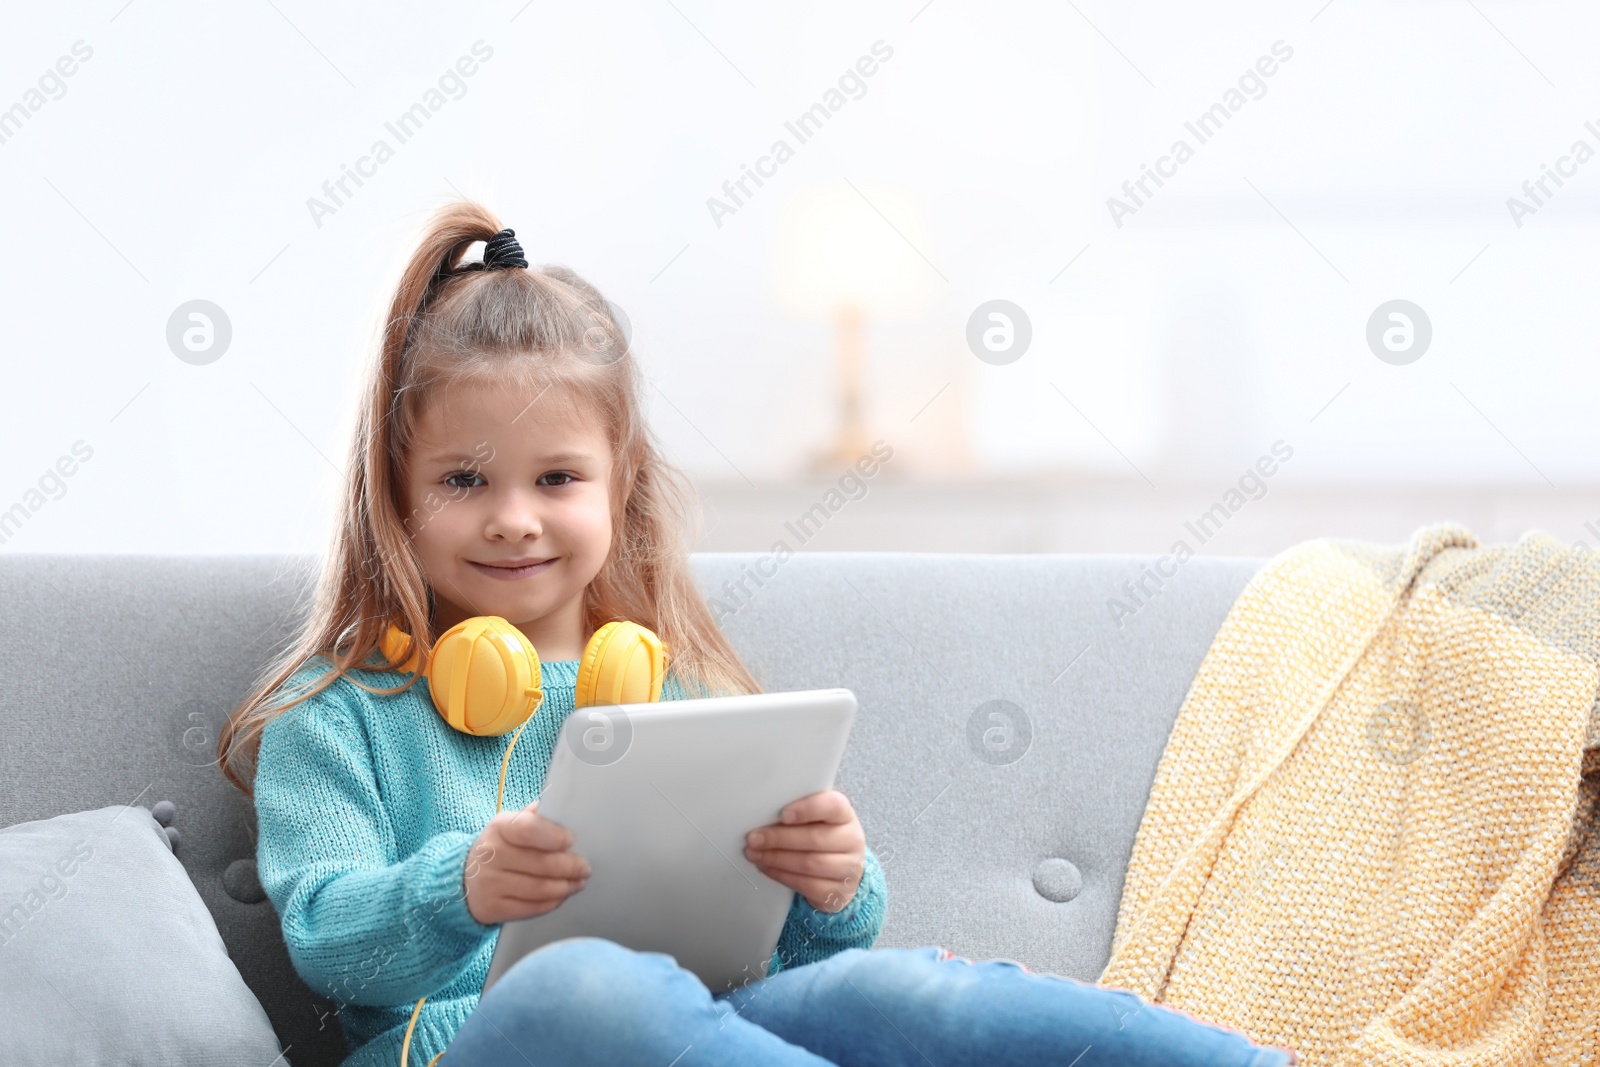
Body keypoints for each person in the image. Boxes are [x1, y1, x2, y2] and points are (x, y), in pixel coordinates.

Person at [218, 201, 1298, 1067]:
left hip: (704, 1022)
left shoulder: (669, 692)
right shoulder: (338, 711)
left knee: (890, 984)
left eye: (556, 478)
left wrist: (832, 885)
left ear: (619, 487)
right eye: (463, 480)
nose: (513, 514)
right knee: (585, 982)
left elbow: (769, 944)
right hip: (471, 1048)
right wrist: (457, 886)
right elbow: (325, 936)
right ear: (396, 496)